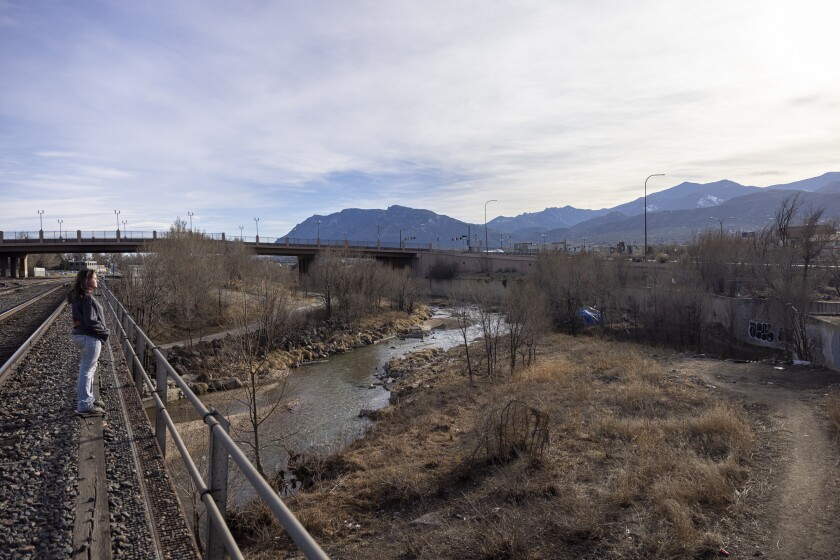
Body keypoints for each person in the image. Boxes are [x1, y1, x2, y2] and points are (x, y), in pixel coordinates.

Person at [68, 269, 110, 416]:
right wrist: (105, 332)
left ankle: (89, 400)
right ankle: (85, 405)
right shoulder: (87, 299)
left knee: (88, 369)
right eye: (95, 278)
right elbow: (91, 321)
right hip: (89, 337)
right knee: (87, 370)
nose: (97, 280)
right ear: (86, 281)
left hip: (83, 336)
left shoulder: (79, 297)